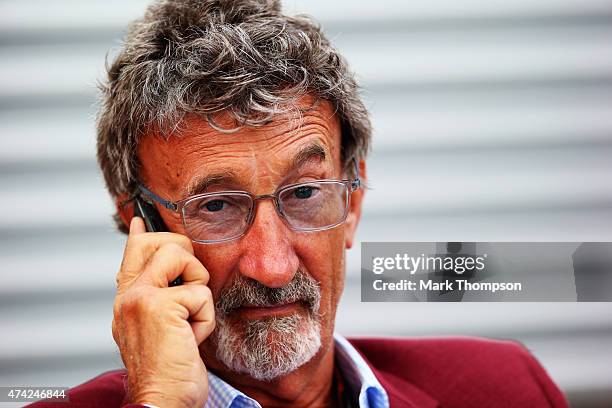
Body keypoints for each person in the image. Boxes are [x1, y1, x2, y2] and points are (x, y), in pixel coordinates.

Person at [30, 0, 569, 407]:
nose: (272, 265)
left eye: (305, 193)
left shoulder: (506, 387)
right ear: (141, 227)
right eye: (217, 205)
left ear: (352, 202)